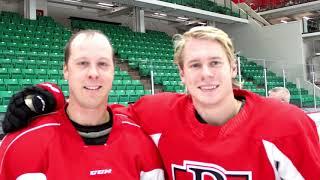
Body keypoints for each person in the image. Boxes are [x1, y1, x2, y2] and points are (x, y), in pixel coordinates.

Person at [2, 26, 320, 179]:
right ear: (181, 73)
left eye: (216, 63)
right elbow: (95, 110)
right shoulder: (158, 114)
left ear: (233, 67)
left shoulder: (287, 127)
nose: (206, 74)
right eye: (195, 65)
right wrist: (49, 96)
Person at [0, 30, 164, 180]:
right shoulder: (23, 145)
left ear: (114, 71)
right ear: (66, 70)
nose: (93, 73)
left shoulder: (142, 142)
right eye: (82, 63)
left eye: (103, 64)